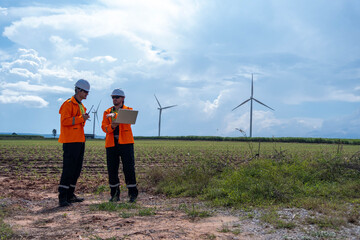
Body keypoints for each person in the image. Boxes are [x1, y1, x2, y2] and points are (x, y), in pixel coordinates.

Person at [101, 89, 138, 203]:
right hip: (111, 144)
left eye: (117, 97)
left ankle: (132, 195)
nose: (114, 99)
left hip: (126, 143)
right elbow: (104, 127)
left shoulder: (128, 110)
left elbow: (129, 119)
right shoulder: (106, 112)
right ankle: (115, 195)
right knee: (112, 170)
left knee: (129, 169)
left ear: (123, 98)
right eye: (113, 97)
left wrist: (115, 115)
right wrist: (112, 125)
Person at [58, 79, 90, 207]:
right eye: (85, 91)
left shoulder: (82, 106)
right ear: (78, 90)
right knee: (68, 169)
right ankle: (62, 197)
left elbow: (79, 123)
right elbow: (65, 121)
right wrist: (81, 118)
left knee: (76, 170)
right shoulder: (68, 104)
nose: (87, 94)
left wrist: (83, 118)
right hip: (70, 141)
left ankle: (70, 195)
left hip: (80, 140)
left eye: (88, 92)